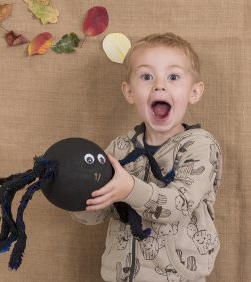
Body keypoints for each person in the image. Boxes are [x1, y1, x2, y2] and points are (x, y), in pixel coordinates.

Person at [71, 33, 222, 282]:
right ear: (129, 92)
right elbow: (97, 214)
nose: (159, 85)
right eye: (146, 76)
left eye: (173, 77)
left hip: (179, 277)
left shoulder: (200, 146)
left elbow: (178, 204)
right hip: (119, 276)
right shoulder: (119, 148)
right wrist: (72, 192)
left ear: (194, 92)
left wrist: (130, 189)